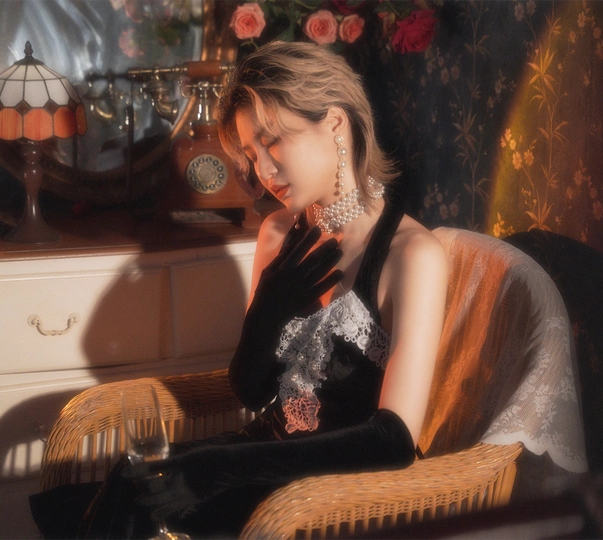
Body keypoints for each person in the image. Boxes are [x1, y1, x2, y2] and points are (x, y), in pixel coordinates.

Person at [31, 41, 449, 539]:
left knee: (136, 496)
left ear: (335, 123)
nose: (264, 172)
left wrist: (214, 470)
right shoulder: (278, 232)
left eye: (273, 143)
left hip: (335, 497)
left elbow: (394, 440)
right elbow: (252, 391)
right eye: (252, 154)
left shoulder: (413, 255)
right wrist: (266, 314)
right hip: (260, 457)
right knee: (133, 476)